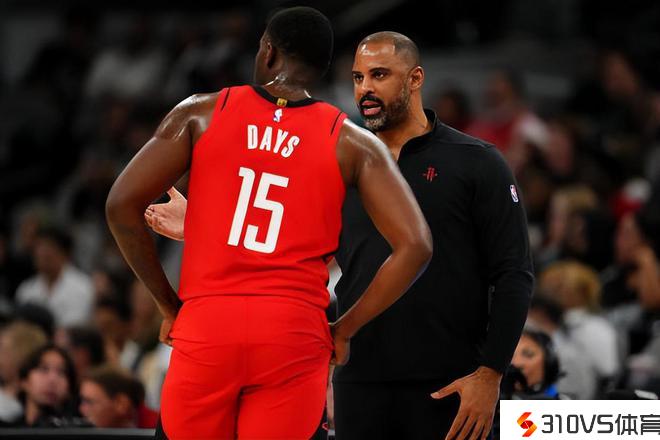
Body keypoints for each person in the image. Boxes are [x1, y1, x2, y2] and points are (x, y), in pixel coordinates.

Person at [147, 31, 533, 440]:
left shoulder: (477, 162)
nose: (365, 89)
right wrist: (201, 226)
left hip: (450, 380)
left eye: (379, 75)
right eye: (357, 77)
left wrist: (490, 373)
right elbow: (283, 240)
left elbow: (514, 274)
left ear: (415, 79)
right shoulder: (336, 157)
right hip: (358, 377)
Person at [106, 7, 432, 440]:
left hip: (208, 324)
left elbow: (120, 205)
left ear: (268, 52)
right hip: (293, 333)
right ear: (322, 67)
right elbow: (416, 245)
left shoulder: (201, 112)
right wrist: (344, 328)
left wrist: (169, 306)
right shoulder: (353, 142)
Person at [15, 227, 94, 327]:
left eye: (48, 247)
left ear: (64, 253)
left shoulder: (83, 287)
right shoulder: (26, 289)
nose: (41, 253)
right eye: (38, 247)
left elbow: (75, 326)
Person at [79, 365, 155, 428]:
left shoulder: (156, 429)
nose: (82, 409)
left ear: (121, 403)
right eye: (82, 401)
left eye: (89, 402)